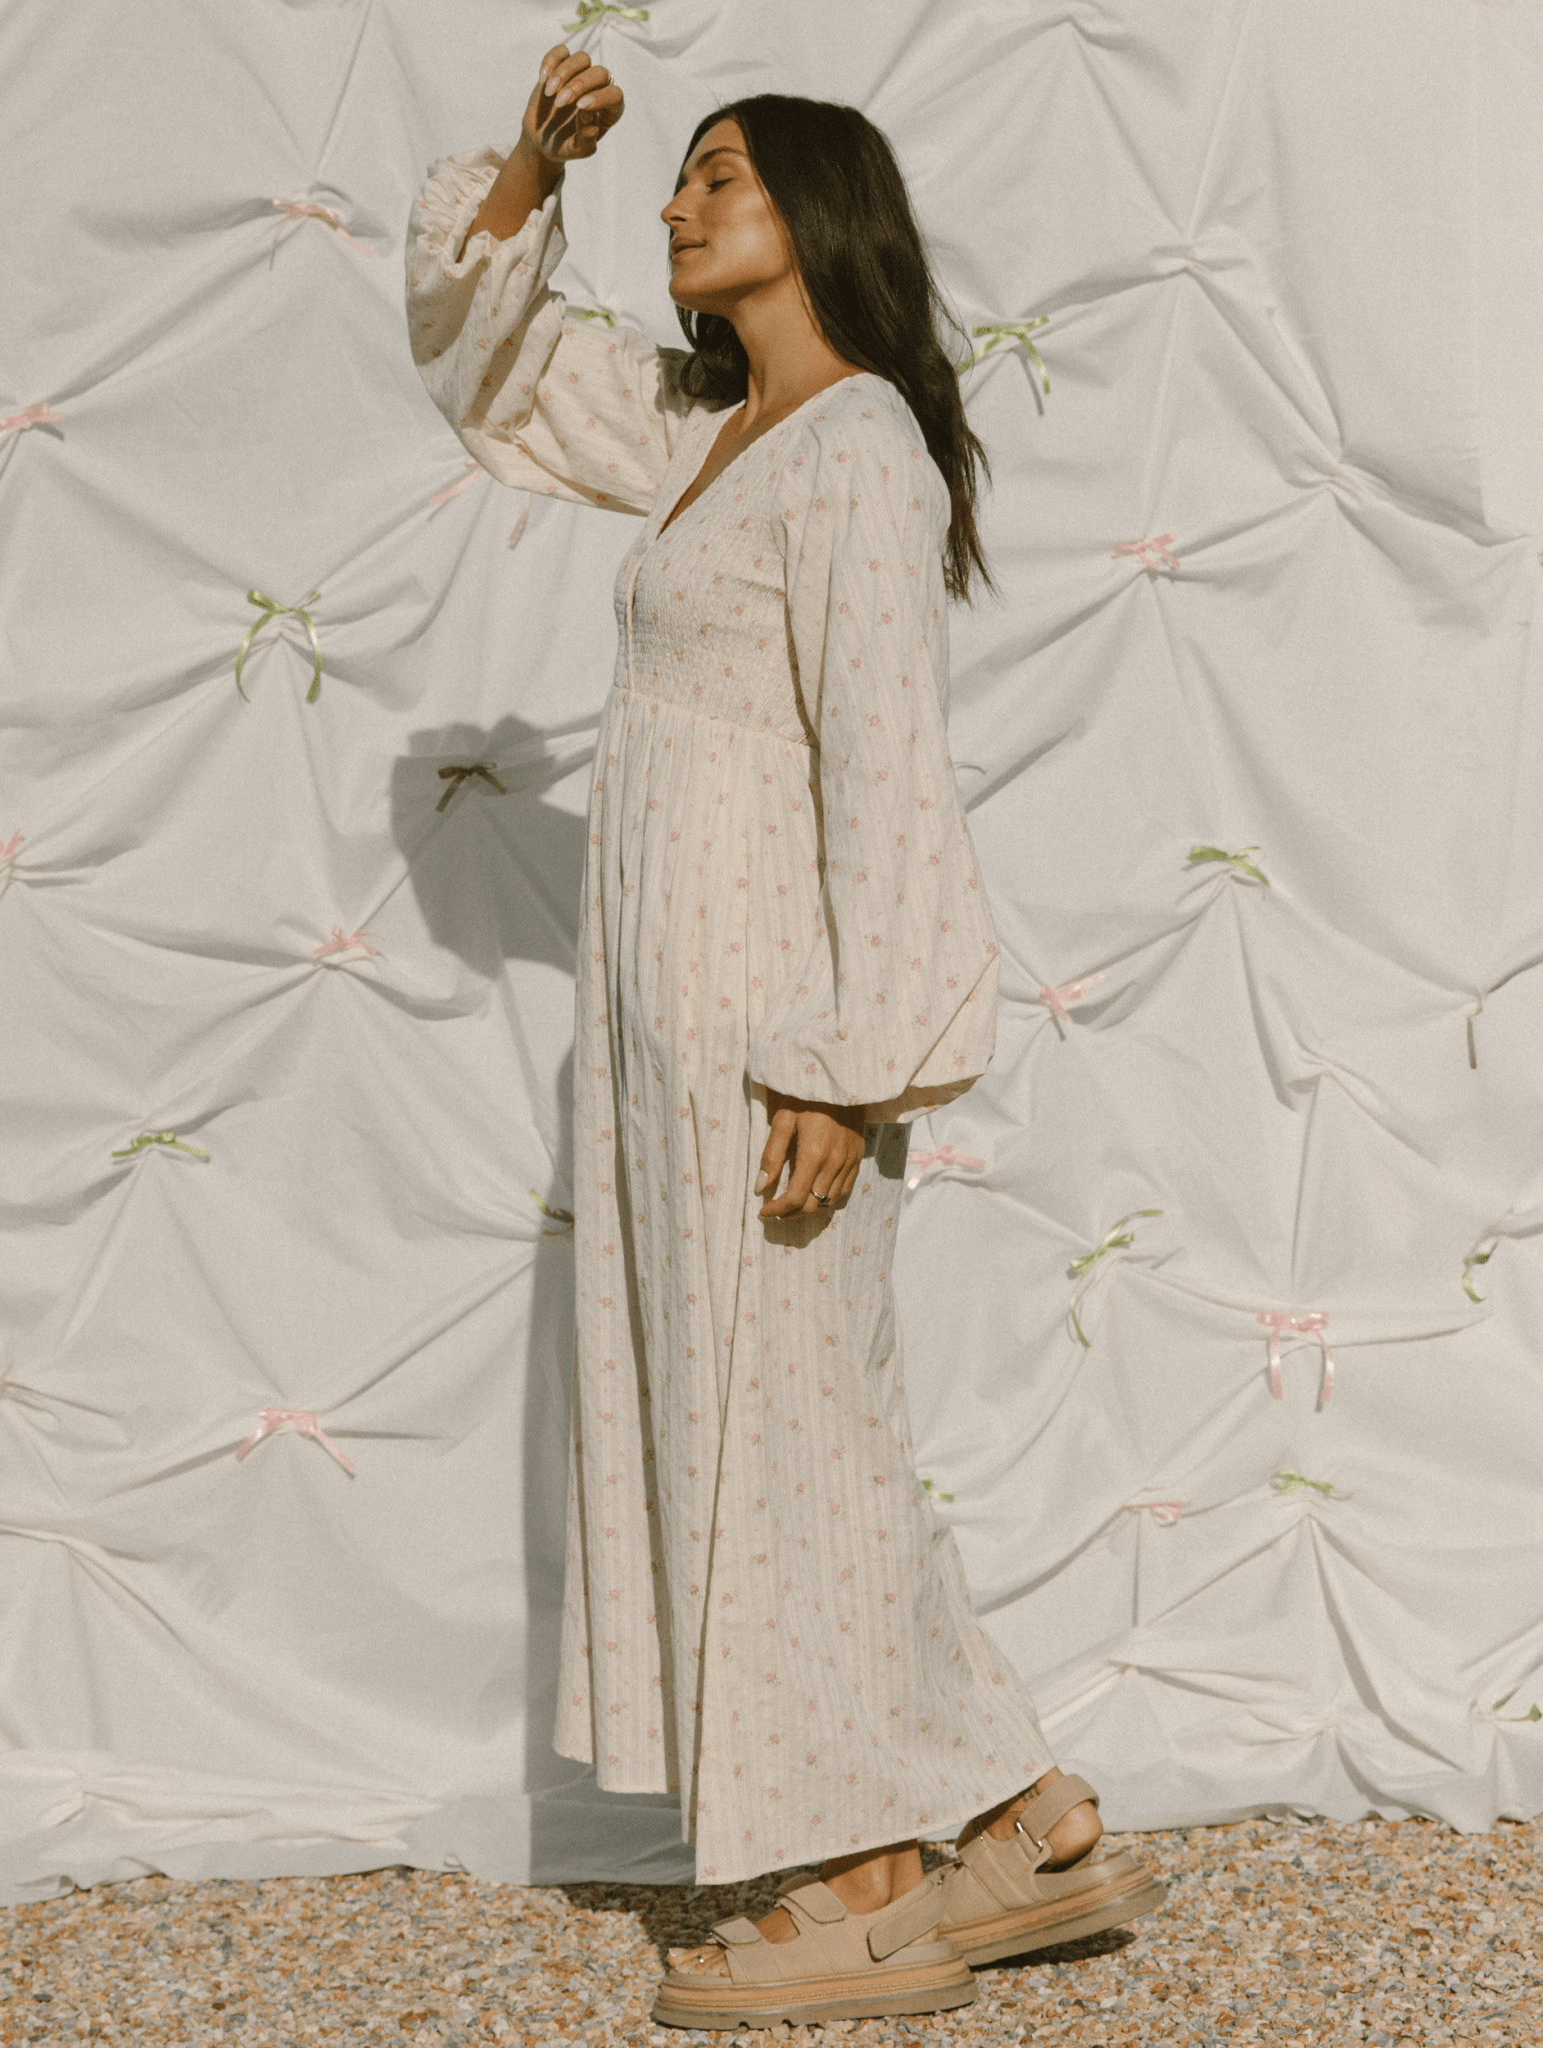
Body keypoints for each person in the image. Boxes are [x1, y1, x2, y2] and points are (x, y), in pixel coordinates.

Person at [404, 43, 1166, 2030]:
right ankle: (1020, 1821)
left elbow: (891, 771)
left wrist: (849, 1065)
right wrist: (528, 165)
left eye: (714, 177)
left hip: (778, 1036)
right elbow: (484, 363)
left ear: (819, 208)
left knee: (799, 1438)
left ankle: (879, 1870)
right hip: (667, 1039)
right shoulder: (709, 439)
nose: (676, 203)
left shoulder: (855, 451)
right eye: (670, 182)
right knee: (757, 1434)